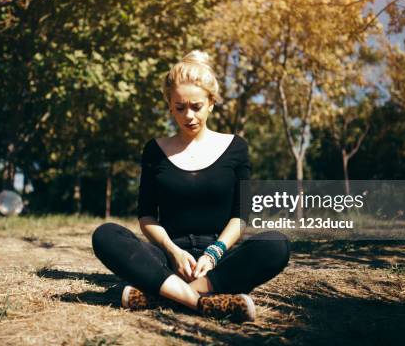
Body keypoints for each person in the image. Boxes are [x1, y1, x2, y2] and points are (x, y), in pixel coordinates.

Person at [92, 51, 290, 322]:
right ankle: (202, 303)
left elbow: (240, 216)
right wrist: (173, 252)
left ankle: (161, 295)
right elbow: (146, 215)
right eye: (179, 107)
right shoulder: (155, 150)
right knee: (106, 236)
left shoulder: (236, 148)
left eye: (196, 106)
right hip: (166, 258)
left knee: (276, 245)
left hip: (219, 260)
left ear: (211, 102)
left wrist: (214, 254)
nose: (188, 116)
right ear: (169, 105)